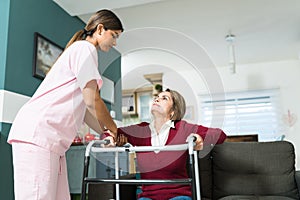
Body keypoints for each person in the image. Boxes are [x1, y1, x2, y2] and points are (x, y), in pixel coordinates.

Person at [7, 9, 123, 200]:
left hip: (52, 143)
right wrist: (115, 130)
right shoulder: (85, 49)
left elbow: (85, 110)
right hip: (39, 136)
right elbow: (93, 100)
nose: (115, 42)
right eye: (114, 35)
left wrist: (105, 133)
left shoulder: (80, 51)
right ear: (100, 29)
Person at [105, 89, 227, 200]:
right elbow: (112, 132)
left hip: (179, 195)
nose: (157, 99)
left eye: (164, 98)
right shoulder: (141, 131)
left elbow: (220, 135)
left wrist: (198, 138)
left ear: (173, 112)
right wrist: (108, 138)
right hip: (148, 196)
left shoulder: (183, 128)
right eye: (157, 97)